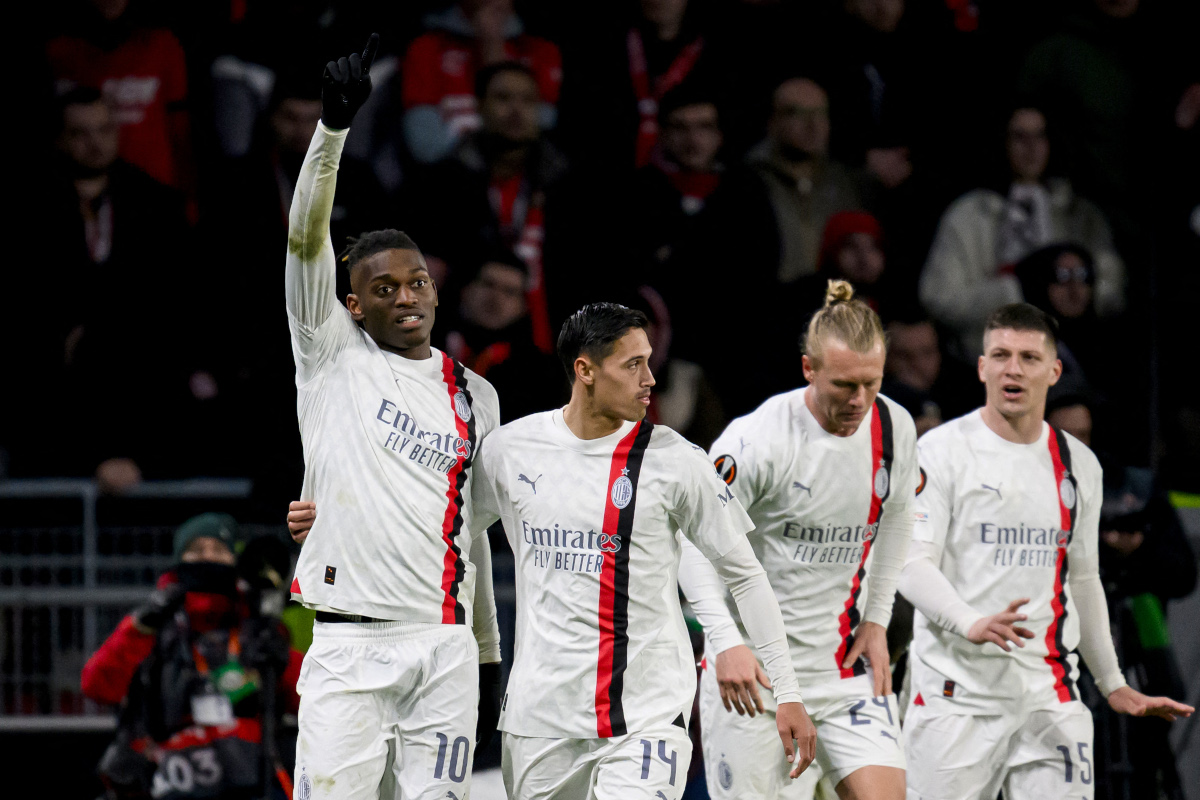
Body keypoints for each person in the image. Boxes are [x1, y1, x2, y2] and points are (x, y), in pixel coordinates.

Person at [291, 303, 819, 797]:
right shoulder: (510, 451)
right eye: (633, 364)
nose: (650, 380)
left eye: (649, 363)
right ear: (585, 370)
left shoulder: (678, 461)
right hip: (538, 721)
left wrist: (788, 691)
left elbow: (744, 574)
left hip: (645, 717)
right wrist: (332, 520)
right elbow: (438, 531)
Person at [284, 36, 502, 800]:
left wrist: (486, 650)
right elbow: (304, 238)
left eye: (416, 282)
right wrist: (332, 130)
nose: (405, 295)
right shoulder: (330, 353)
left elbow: (472, 528)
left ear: (436, 292)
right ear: (351, 304)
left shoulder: (478, 395)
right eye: (384, 289)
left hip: (442, 647)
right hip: (347, 641)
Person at [897, 303, 1193, 800]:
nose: (1014, 368)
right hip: (955, 700)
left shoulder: (1079, 464)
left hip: (1049, 697)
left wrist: (1112, 681)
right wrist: (969, 621)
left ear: (1054, 371)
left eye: (1029, 357)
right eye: (1001, 355)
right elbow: (909, 563)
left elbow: (1083, 580)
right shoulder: (940, 452)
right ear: (982, 367)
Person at [679, 281, 916, 800]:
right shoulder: (756, 440)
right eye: (843, 385)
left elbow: (898, 518)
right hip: (755, 679)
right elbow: (694, 548)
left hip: (844, 667)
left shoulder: (895, 427)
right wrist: (725, 643)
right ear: (809, 369)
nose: (859, 401)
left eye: (871, 384)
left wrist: (877, 618)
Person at [82, 514, 300, 800]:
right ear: (179, 559)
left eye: (218, 551)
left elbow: (307, 695)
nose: (207, 558)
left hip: (252, 779)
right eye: (196, 550)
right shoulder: (154, 625)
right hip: (167, 778)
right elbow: (96, 686)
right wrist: (140, 627)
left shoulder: (258, 626)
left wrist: (280, 659)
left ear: (235, 560)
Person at [919, 107, 1125, 359]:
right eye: (1020, 137)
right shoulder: (970, 214)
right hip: (987, 363)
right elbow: (939, 297)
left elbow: (1112, 288)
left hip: (1070, 361)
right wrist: (1014, 292)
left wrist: (1078, 292)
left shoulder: (1080, 214)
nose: (1031, 147)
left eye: (1040, 136)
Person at [406, 60, 569, 353]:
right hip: (457, 345)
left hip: (549, 349)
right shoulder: (440, 184)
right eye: (503, 98)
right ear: (478, 107)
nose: (516, 110)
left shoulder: (565, 187)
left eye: (527, 100)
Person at [401, 0, 562, 164]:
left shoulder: (541, 51)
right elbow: (426, 148)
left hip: (519, 179)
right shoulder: (427, 47)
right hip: (452, 176)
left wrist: (493, 49)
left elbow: (539, 140)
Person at [747, 77, 864, 284]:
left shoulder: (845, 183)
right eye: (797, 113)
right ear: (773, 122)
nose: (813, 125)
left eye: (821, 113)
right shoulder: (749, 183)